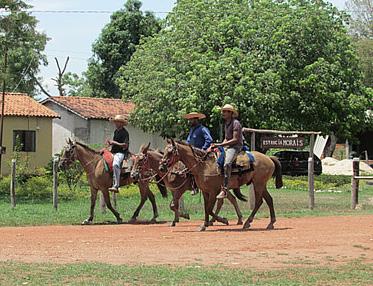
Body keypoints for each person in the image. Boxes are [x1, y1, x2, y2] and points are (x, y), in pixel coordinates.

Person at [209, 104, 243, 199]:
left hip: (235, 147)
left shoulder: (236, 123)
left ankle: (225, 189)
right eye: (223, 111)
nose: (222, 113)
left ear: (230, 113)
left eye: (225, 111)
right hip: (227, 146)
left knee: (227, 163)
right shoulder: (226, 123)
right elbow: (226, 138)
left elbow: (235, 139)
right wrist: (218, 145)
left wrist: (220, 145)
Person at [184, 112, 213, 195]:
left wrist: (203, 150)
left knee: (194, 168)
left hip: (200, 153)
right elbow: (188, 142)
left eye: (192, 119)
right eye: (189, 119)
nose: (190, 121)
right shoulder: (191, 130)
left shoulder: (203, 129)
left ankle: (196, 186)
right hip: (191, 154)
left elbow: (209, 140)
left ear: (196, 119)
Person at [107, 115, 129, 193]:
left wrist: (114, 142)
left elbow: (125, 145)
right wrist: (110, 144)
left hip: (121, 153)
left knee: (115, 164)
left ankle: (116, 185)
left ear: (121, 123)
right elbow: (114, 143)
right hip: (113, 152)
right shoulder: (116, 131)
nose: (116, 123)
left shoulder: (125, 133)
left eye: (117, 122)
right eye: (115, 122)